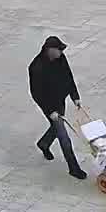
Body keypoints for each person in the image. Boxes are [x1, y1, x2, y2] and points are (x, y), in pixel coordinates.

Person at [28, 36, 87, 180]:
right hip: (48, 104)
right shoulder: (36, 67)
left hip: (60, 100)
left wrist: (75, 96)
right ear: (50, 50)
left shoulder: (60, 58)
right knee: (63, 135)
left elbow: (68, 76)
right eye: (58, 50)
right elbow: (37, 94)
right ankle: (74, 168)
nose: (61, 52)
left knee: (56, 128)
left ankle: (44, 143)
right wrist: (50, 112)